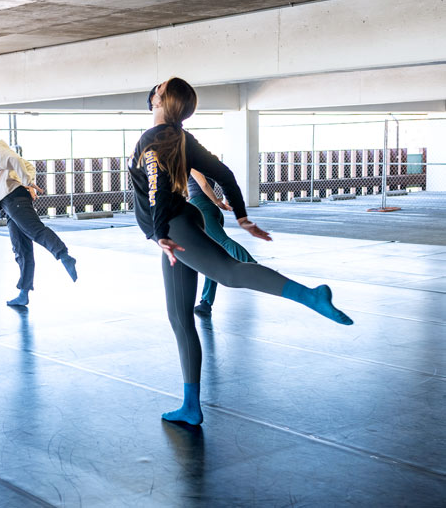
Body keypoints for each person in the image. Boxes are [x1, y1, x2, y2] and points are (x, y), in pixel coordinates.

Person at [131, 78, 353, 426]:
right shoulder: (182, 138)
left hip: (173, 228)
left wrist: (159, 233)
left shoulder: (151, 141)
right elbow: (225, 174)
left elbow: (157, 188)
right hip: (178, 224)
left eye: (156, 86)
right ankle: (190, 407)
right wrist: (242, 216)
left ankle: (311, 295)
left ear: (159, 98)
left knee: (229, 272)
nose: (153, 88)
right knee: (179, 317)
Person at [0, 120, 77, 306]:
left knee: (35, 230)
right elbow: (27, 165)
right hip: (9, 204)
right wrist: (27, 180)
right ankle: (24, 293)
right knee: (21, 249)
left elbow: (16, 161)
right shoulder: (0, 147)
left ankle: (64, 255)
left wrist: (27, 182)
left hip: (14, 200)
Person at [188, 170, 257, 318]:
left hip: (201, 209)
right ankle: (206, 303)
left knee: (223, 243)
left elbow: (204, 184)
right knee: (211, 256)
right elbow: (225, 178)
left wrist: (217, 201)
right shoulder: (205, 162)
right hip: (210, 210)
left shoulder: (191, 163)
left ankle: (254, 266)